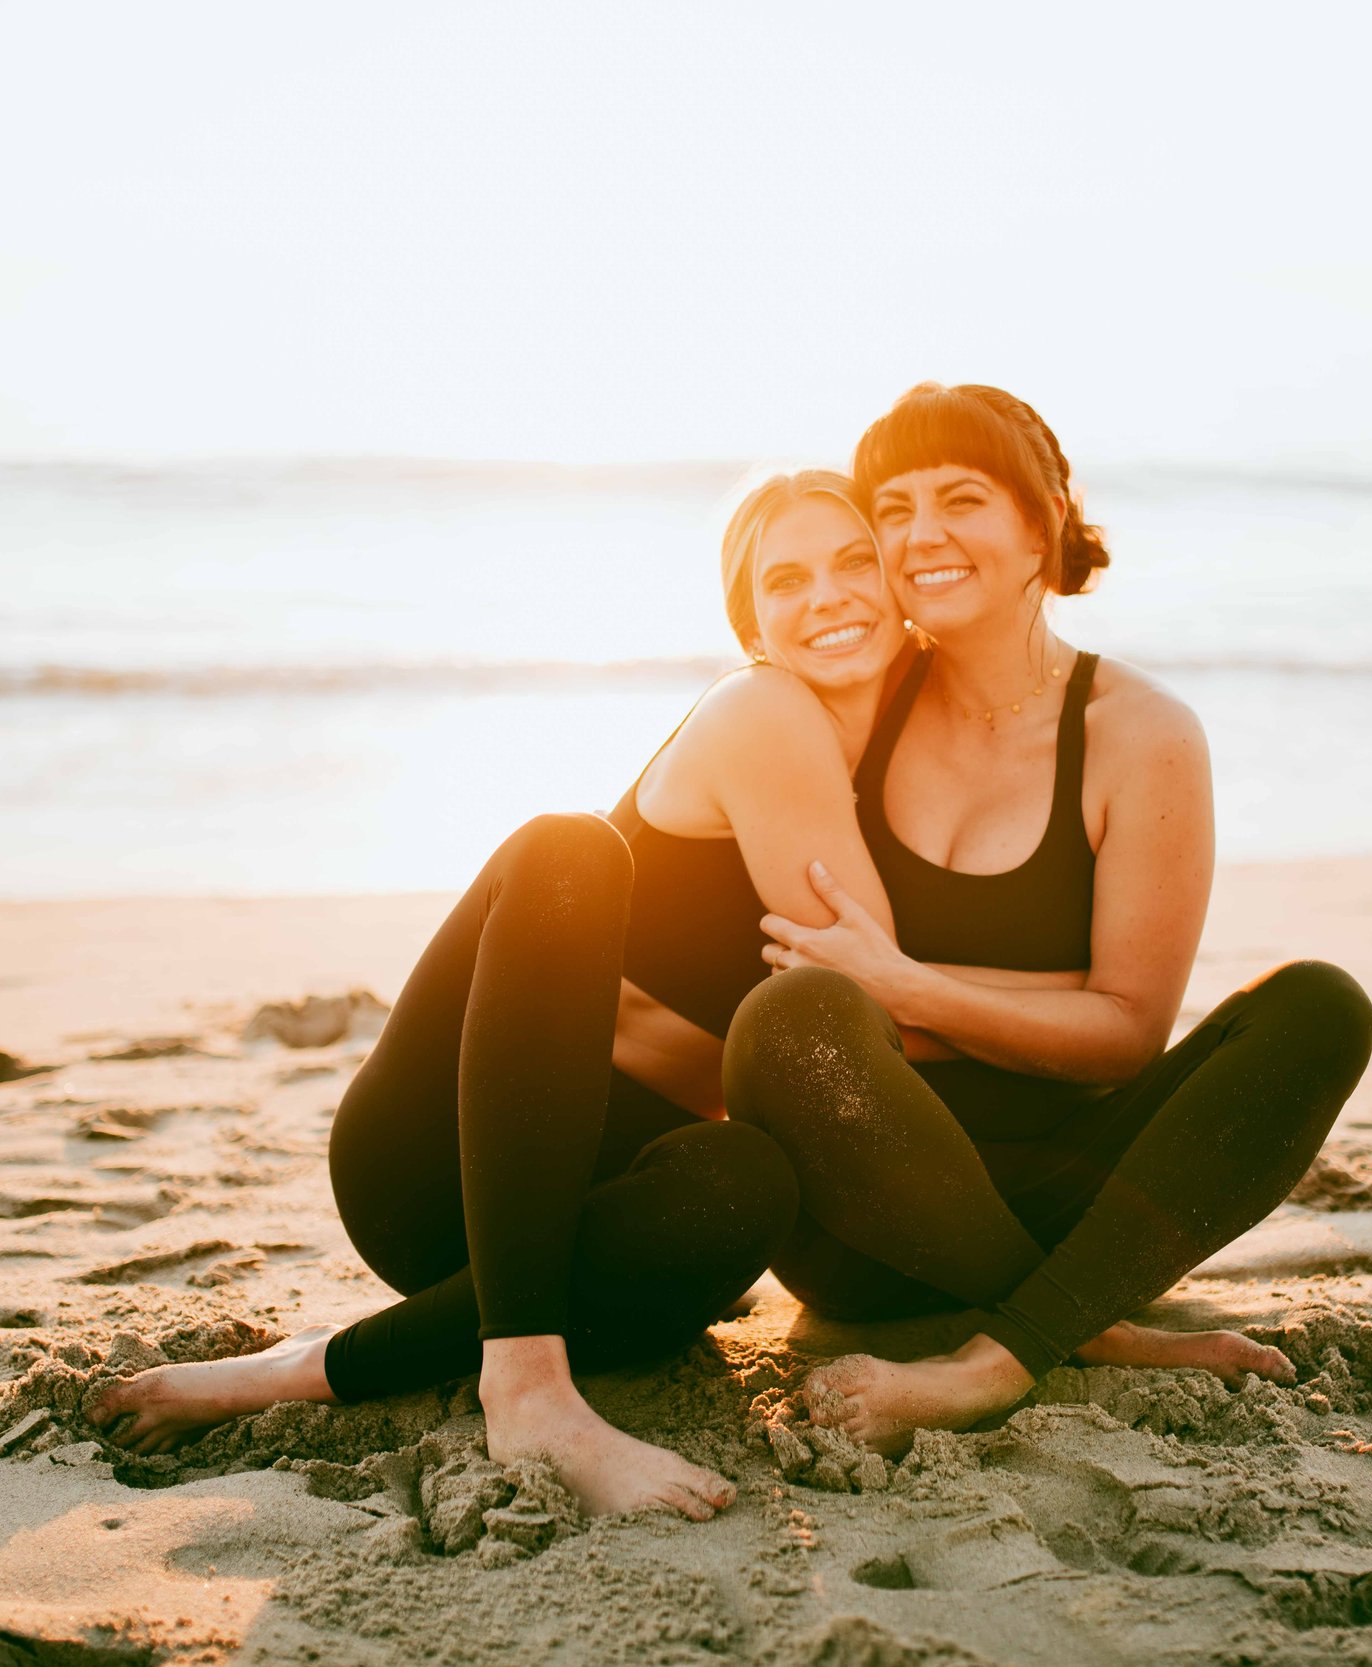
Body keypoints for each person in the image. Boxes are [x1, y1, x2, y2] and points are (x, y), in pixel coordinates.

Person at [92, 471, 914, 1520]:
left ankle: (318, 1362)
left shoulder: (903, 759)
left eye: (854, 562)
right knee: (567, 848)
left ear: (898, 579)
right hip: (447, 1165)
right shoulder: (761, 708)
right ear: (749, 619)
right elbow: (871, 986)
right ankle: (524, 1381)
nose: (829, 595)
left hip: (613, 1218)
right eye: (787, 577)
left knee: (750, 1179)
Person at [723, 383, 1372, 1455]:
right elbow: (806, 989)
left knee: (1318, 1005)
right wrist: (1014, 1010)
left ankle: (997, 1359)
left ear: (1042, 522)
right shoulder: (846, 704)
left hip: (1077, 1200)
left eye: (962, 499)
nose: (921, 535)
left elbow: (1121, 1036)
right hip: (862, 1218)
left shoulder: (1139, 734)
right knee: (788, 1018)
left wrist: (907, 990)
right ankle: (1080, 1324)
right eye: (890, 510)